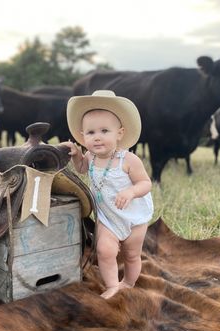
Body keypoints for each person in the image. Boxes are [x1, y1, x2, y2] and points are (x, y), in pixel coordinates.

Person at [61, 90, 153, 299]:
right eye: (91, 133)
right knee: (104, 251)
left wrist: (131, 191)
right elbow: (83, 169)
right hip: (108, 216)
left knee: (131, 254)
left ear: (119, 133)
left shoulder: (128, 160)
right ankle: (112, 286)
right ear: (83, 137)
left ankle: (128, 283)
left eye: (104, 131)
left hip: (133, 216)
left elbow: (145, 183)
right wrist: (76, 156)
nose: (98, 137)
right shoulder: (90, 156)